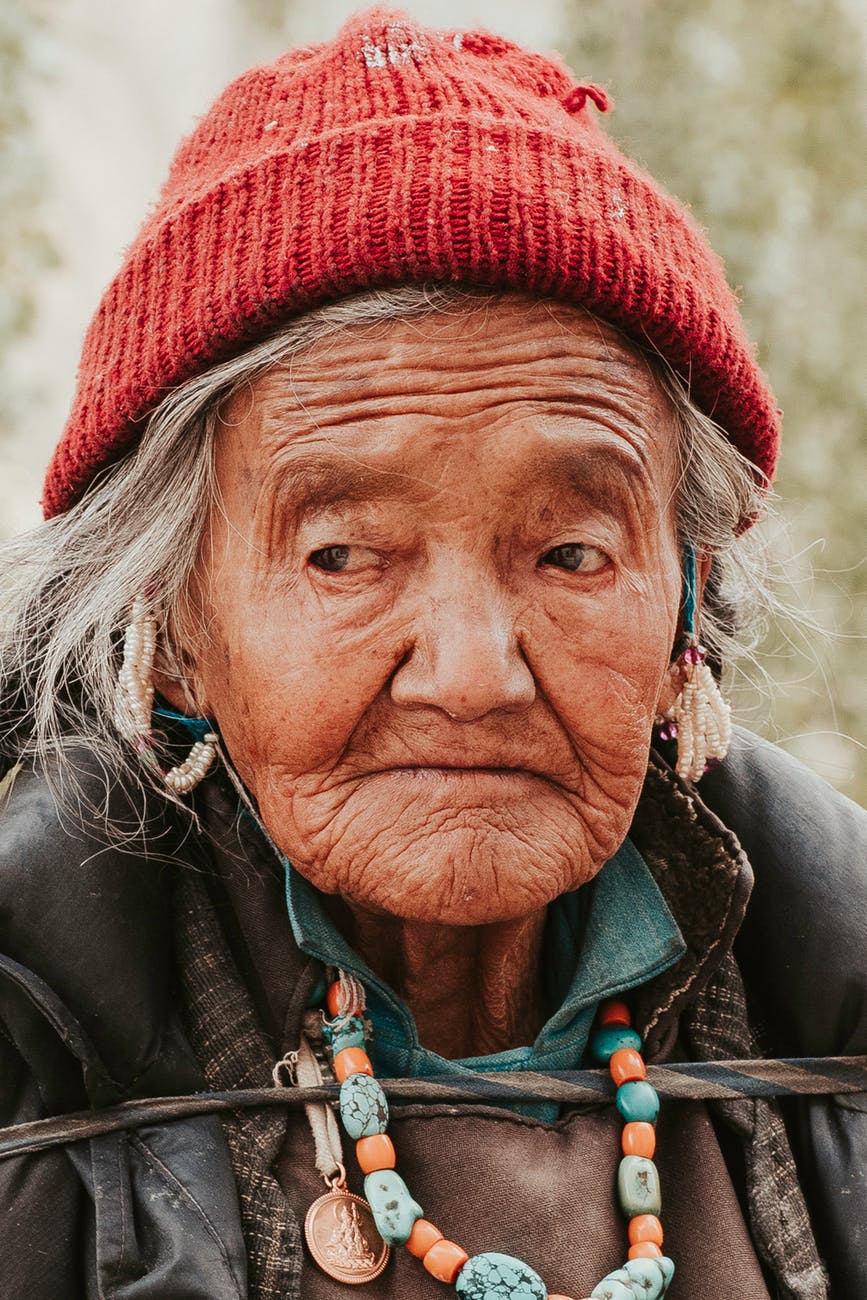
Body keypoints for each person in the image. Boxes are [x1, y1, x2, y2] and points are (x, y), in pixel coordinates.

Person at [0, 8, 864, 1299]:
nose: (470, 671)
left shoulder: (831, 999)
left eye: (571, 553)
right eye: (344, 555)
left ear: (685, 619)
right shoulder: (33, 1054)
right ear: (176, 632)